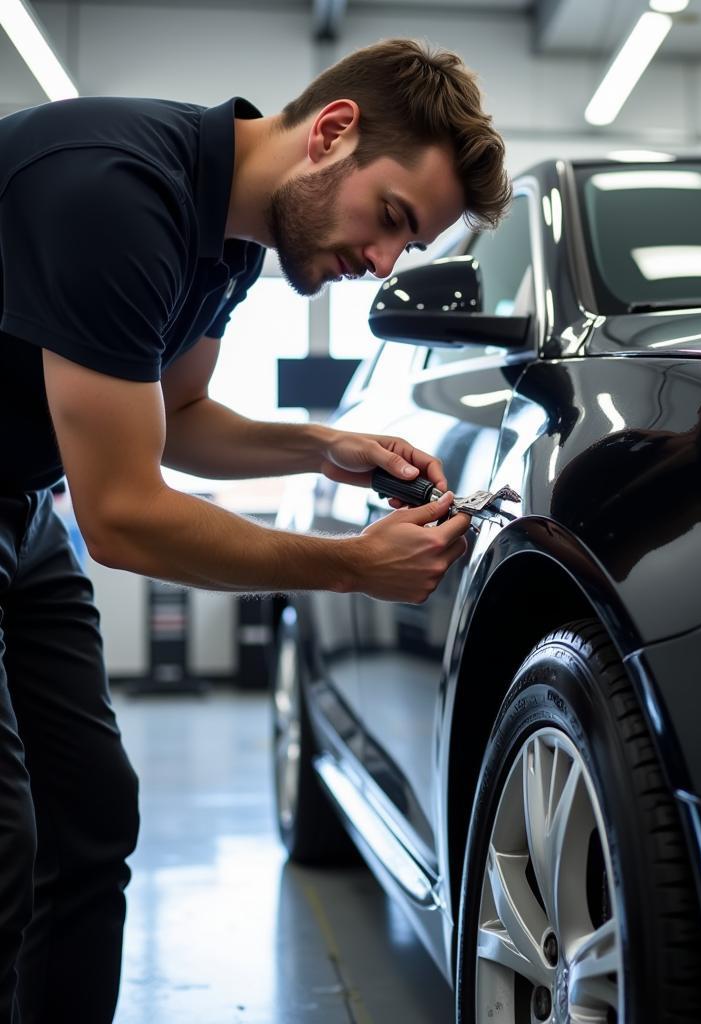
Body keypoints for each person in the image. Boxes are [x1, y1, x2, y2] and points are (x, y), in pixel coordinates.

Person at [0, 37, 511, 1024]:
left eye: (407, 248)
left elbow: (178, 418)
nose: (381, 263)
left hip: (18, 505)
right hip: (41, 505)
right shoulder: (114, 196)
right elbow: (119, 515)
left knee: (91, 821)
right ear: (332, 132)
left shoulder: (227, 237)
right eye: (392, 220)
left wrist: (324, 447)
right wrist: (352, 568)